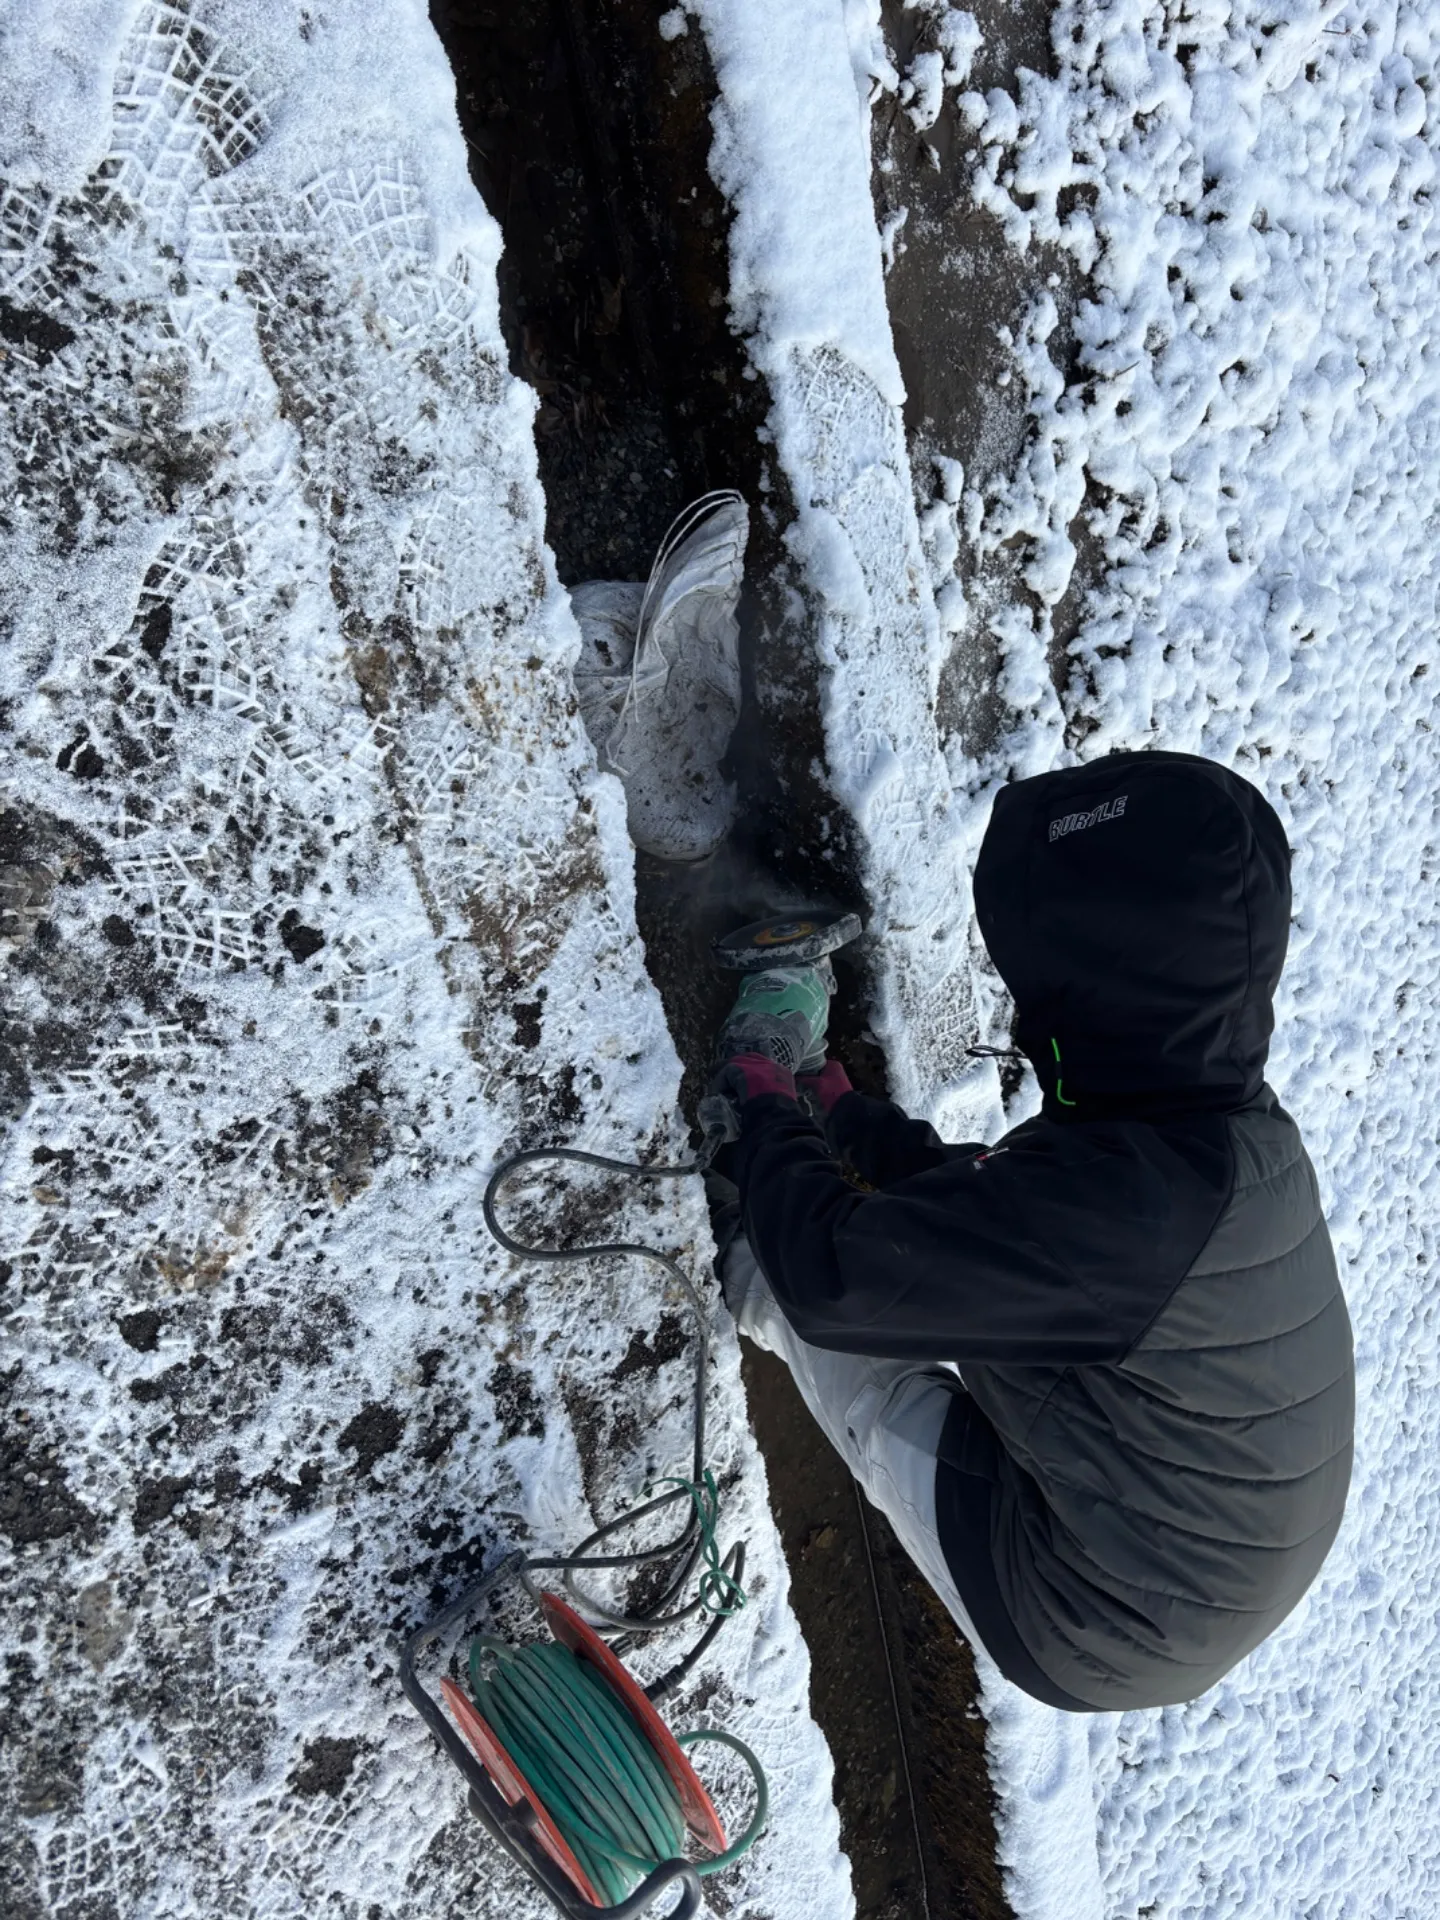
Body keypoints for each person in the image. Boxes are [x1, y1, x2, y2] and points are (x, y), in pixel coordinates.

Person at [705, 749, 1356, 1712]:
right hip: (1189, 1526)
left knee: (868, 1364)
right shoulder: (1208, 1125)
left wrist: (764, 1104)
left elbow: (837, 1277)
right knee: (953, 1292)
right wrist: (850, 1119)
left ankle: (739, 1271)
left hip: (1100, 1623)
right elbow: (1018, 1220)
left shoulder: (1148, 1205)